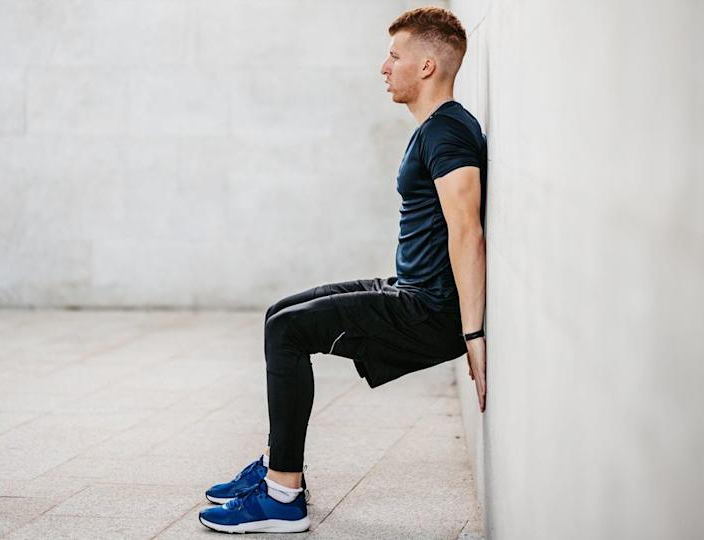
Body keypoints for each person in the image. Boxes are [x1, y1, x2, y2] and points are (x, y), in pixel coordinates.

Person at [198, 6, 488, 534]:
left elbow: (467, 229)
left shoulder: (448, 133)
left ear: (426, 66)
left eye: (394, 55)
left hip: (429, 308)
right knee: (279, 314)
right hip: (412, 289)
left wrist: (472, 333)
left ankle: (283, 496)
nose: (384, 66)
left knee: (289, 331)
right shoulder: (437, 127)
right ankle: (273, 467)